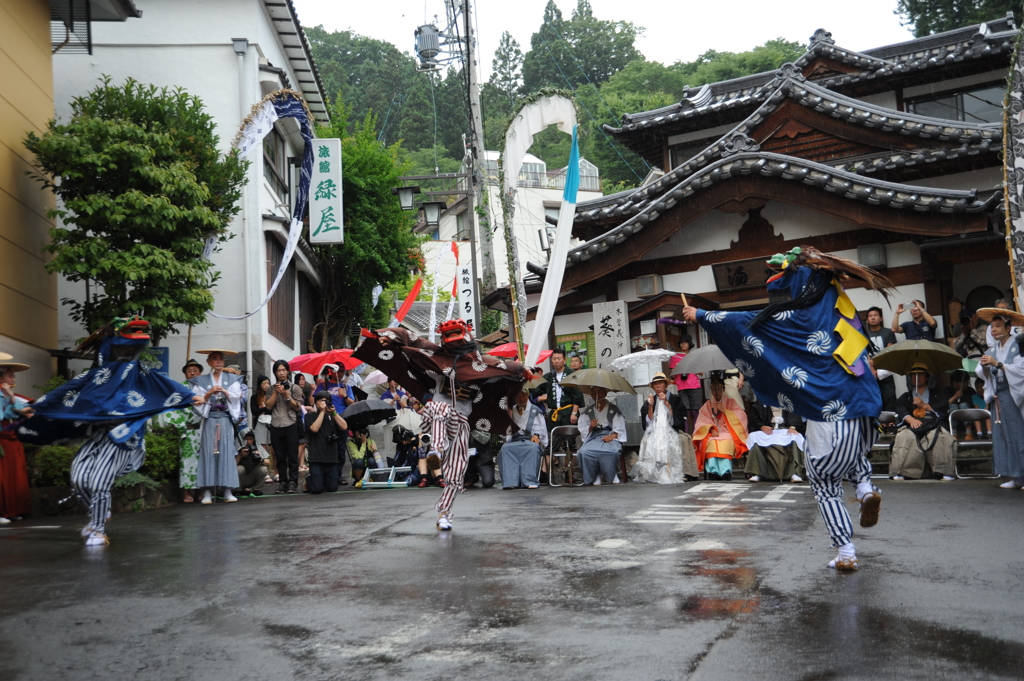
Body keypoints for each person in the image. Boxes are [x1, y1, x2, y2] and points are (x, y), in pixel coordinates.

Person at [685, 246, 893, 571]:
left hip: (831, 413)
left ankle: (846, 551)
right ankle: (866, 489)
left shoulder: (799, 318)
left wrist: (700, 315)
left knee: (824, 483)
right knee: (853, 457)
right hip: (867, 409)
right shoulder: (844, 310)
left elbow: (747, 322)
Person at [21, 316, 198, 546]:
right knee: (79, 477)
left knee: (98, 482)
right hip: (99, 435)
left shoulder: (139, 372)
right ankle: (99, 515)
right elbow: (65, 391)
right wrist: (36, 408)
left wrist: (195, 397)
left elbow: (164, 386)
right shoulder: (95, 375)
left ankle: (98, 529)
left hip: (124, 435)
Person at [354, 318, 527, 531]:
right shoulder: (437, 358)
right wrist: (391, 339)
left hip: (460, 423)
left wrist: (522, 371)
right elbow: (412, 340)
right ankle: (434, 449)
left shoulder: (481, 366)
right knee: (440, 408)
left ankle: (444, 513)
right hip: (434, 418)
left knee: (456, 472)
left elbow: (506, 367)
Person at [189, 350, 245, 504]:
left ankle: (227, 490)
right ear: (209, 362)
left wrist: (225, 391)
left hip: (225, 418)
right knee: (208, 452)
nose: (218, 362)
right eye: (215, 359)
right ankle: (207, 491)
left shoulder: (232, 379)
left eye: (221, 359)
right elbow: (196, 400)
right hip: (210, 418)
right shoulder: (201, 381)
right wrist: (209, 393)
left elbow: (237, 396)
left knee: (226, 452)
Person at [976, 309, 1024, 489]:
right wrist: (985, 367)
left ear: (1008, 327)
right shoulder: (992, 349)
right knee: (1002, 435)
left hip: (1013, 393)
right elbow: (982, 374)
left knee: (1017, 434)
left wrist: (997, 364)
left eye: (998, 326)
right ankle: (1014, 475)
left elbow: (1021, 371)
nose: (994, 330)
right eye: (992, 327)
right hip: (998, 395)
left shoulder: (1018, 346)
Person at [890, 363, 957, 481]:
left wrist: (925, 406)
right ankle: (902, 471)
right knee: (905, 436)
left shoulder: (937, 394)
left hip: (933, 424)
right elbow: (900, 409)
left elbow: (944, 409)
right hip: (912, 425)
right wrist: (910, 419)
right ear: (910, 378)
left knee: (940, 437)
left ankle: (943, 471)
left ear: (927, 377)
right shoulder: (905, 397)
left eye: (920, 374)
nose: (917, 377)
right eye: (914, 375)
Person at [633, 372, 697, 483]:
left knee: (680, 440)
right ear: (652, 387)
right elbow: (648, 423)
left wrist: (667, 403)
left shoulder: (676, 399)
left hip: (673, 430)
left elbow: (680, 418)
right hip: (656, 431)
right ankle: (652, 472)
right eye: (655, 384)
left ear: (666, 385)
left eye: (660, 383)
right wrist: (650, 406)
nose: (658, 386)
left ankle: (685, 472)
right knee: (648, 441)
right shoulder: (650, 400)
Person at [535, 349, 585, 482]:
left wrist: (574, 413)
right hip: (554, 414)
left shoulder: (571, 374)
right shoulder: (548, 376)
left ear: (564, 360)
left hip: (568, 412)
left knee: (571, 443)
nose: (556, 361)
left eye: (559, 358)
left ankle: (569, 472)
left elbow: (577, 396)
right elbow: (536, 389)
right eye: (554, 359)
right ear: (551, 360)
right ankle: (545, 474)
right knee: (551, 444)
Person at [158, 358, 203, 503]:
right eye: (189, 371)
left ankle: (201, 491)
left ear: (200, 372)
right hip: (188, 431)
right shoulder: (180, 389)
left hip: (203, 431)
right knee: (187, 463)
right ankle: (186, 492)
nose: (192, 373)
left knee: (203, 462)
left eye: (195, 371)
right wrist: (180, 426)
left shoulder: (205, 388)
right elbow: (173, 410)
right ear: (185, 374)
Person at [692, 373, 748, 480]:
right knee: (711, 442)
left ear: (723, 389)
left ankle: (725, 471)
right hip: (713, 433)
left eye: (718, 389)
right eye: (713, 389)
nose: (716, 392)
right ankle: (713, 471)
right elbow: (702, 420)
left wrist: (724, 411)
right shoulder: (708, 404)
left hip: (728, 432)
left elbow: (741, 416)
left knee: (725, 441)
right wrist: (711, 429)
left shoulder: (731, 402)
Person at [0, 358, 33, 523]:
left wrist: (11, 396)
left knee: (14, 476)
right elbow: (3, 415)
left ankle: (12, 510)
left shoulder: (6, 393)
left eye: (14, 376)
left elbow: (16, 412)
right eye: (10, 376)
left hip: (11, 438)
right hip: (2, 439)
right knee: (1, 478)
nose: (13, 379)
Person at [265, 359, 304, 494]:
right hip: (276, 424)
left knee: (292, 455)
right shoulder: (270, 389)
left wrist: (287, 395)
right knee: (280, 456)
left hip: (291, 423)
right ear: (275, 372)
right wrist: (276, 392)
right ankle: (282, 482)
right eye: (278, 370)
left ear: (287, 371)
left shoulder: (295, 388)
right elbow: (268, 406)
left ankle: (293, 481)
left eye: (283, 370)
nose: (281, 373)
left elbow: (297, 407)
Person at [745, 397, 805, 482]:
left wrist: (792, 426)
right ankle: (759, 472)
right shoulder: (763, 398)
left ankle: (794, 472)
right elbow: (755, 417)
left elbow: (794, 414)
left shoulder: (788, 398)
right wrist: (761, 426)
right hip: (768, 428)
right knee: (753, 437)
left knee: (795, 436)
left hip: (785, 428)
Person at [577, 386, 627, 485]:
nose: (597, 395)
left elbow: (619, 428)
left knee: (613, 451)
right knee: (583, 452)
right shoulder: (588, 411)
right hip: (593, 436)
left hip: (610, 435)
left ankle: (611, 474)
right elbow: (582, 428)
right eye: (594, 393)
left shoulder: (614, 410)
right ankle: (595, 475)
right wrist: (590, 426)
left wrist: (611, 437)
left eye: (600, 392)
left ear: (605, 393)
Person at [500, 387, 548, 489]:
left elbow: (541, 427)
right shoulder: (511, 411)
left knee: (533, 448)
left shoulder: (535, 410)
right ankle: (510, 482)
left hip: (529, 439)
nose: (521, 398)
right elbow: (505, 429)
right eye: (518, 396)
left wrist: (536, 435)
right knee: (505, 448)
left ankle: (530, 481)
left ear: (528, 395)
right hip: (514, 440)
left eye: (523, 395)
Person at [305, 390, 349, 494]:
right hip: (316, 459)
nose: (325, 403)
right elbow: (314, 429)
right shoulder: (310, 416)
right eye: (322, 401)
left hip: (331, 458)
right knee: (317, 489)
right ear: (316, 403)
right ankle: (308, 480)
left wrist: (334, 412)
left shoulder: (333, 416)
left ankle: (321, 480)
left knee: (332, 488)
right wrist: (322, 412)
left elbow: (344, 427)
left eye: (327, 401)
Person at [864, 306, 898, 413]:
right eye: (870, 316)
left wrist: (874, 363)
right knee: (873, 398)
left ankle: (891, 423)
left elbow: (889, 352)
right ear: (867, 320)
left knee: (890, 396)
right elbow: (864, 352)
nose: (873, 318)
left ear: (881, 318)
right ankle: (878, 424)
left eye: (875, 315)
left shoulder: (888, 332)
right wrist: (872, 368)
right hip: (869, 372)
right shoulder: (864, 334)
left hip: (885, 370)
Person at [668, 337, 702, 433]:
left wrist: (692, 366)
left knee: (695, 412)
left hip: (695, 386)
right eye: (681, 343)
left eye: (685, 342)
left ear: (689, 344)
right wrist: (678, 367)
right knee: (685, 413)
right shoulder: (675, 357)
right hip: (682, 388)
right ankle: (686, 435)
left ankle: (697, 435)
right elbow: (673, 376)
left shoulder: (694, 356)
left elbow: (702, 373)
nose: (683, 344)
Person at [250, 374, 276, 483]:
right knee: (262, 448)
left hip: (272, 422)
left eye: (268, 383)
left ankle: (276, 472)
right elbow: (254, 412)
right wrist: (265, 408)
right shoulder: (254, 397)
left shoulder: (272, 396)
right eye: (264, 383)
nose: (266, 385)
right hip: (260, 423)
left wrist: (264, 408)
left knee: (275, 448)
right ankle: (265, 473)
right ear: (259, 385)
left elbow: (273, 410)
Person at [235, 431, 269, 496]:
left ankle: (257, 490)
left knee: (263, 468)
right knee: (239, 468)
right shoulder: (237, 447)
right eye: (247, 439)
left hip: (251, 477)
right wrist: (240, 456)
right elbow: (231, 467)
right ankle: (238, 490)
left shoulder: (257, 446)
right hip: (240, 479)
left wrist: (260, 458)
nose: (249, 442)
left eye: (251, 439)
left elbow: (268, 462)